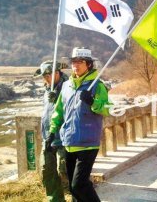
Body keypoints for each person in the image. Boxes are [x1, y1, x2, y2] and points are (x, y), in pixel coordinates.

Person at [47, 47, 111, 202]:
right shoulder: (67, 86)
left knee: (78, 185)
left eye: (80, 62)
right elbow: (59, 111)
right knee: (73, 188)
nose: (75, 65)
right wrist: (52, 131)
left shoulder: (97, 85)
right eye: (73, 62)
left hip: (88, 143)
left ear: (88, 64)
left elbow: (108, 109)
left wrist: (92, 102)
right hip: (69, 141)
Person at [34, 61, 68, 202]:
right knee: (47, 171)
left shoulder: (69, 87)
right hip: (48, 138)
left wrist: (59, 94)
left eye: (48, 75)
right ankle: (55, 199)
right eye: (44, 76)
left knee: (66, 172)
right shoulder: (47, 89)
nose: (46, 78)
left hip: (64, 138)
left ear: (57, 72)